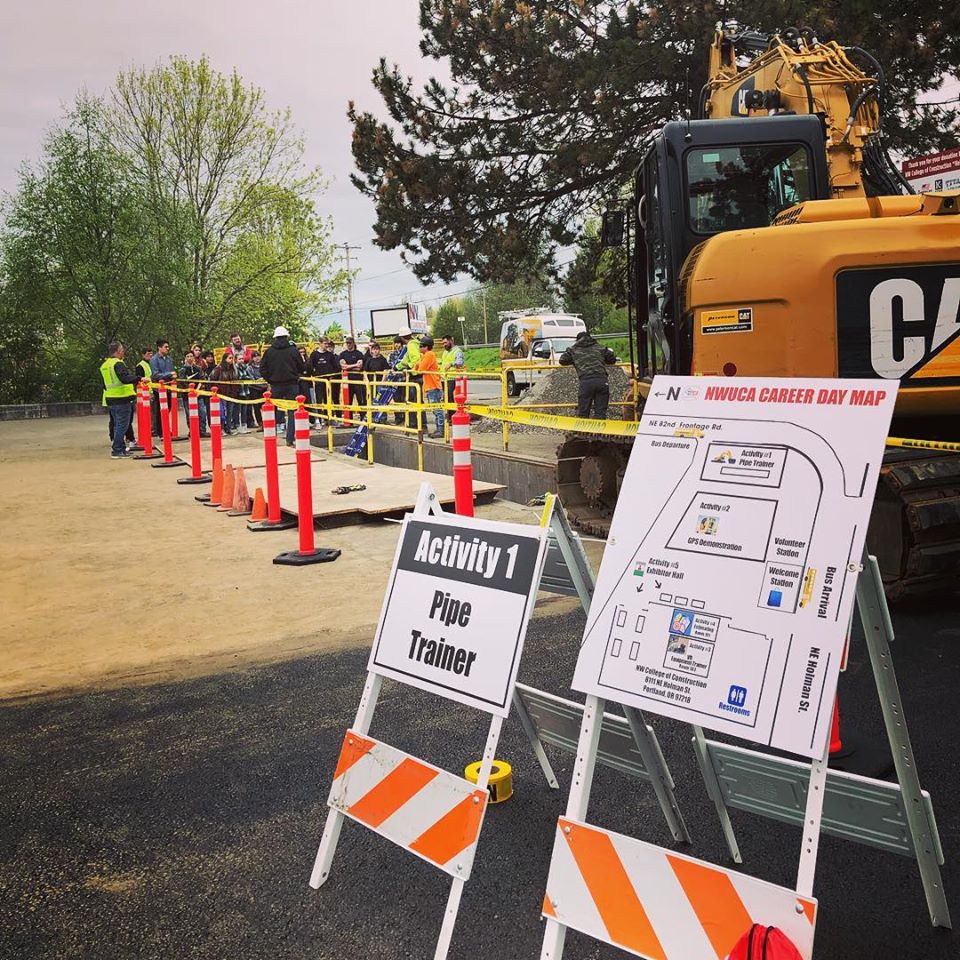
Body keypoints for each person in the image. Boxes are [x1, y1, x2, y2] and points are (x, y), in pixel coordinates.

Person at [259, 325, 305, 446]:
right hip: (292, 384)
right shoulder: (293, 351)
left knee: (273, 411)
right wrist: (296, 374)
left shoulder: (269, 352)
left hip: (276, 385)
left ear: (275, 337)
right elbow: (302, 366)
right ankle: (290, 439)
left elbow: (262, 369)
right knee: (292, 411)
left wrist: (270, 379)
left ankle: (271, 437)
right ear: (286, 336)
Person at [558, 330, 617, 419]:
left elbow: (562, 360)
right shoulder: (600, 347)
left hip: (586, 382)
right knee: (601, 413)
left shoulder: (574, 349)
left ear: (577, 340)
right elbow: (612, 359)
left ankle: (584, 427)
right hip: (602, 381)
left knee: (583, 413)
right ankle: (599, 427)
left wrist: (573, 356)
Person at [100, 341, 139, 459]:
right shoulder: (118, 363)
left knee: (117, 425)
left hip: (111, 398)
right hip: (122, 398)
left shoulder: (105, 365)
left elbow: (104, 384)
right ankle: (117, 450)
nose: (123, 352)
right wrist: (139, 378)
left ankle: (121, 448)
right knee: (122, 425)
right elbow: (125, 378)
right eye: (122, 350)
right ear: (118, 351)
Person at [393, 326, 422, 428]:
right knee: (418, 401)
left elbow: (416, 359)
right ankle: (420, 424)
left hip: (415, 376)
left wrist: (408, 367)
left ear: (402, 337)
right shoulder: (415, 344)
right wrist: (397, 367)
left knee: (412, 401)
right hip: (417, 376)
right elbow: (405, 359)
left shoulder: (411, 345)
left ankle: (414, 425)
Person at [417, 336, 445, 436]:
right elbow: (418, 367)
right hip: (431, 386)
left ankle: (441, 430)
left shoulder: (429, 355)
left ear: (426, 347)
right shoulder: (426, 355)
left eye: (421, 346)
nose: (419, 348)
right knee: (435, 409)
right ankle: (440, 430)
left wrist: (419, 363)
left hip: (433, 386)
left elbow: (420, 369)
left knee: (437, 409)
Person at [309, 338, 340, 422]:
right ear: (320, 343)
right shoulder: (314, 354)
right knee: (319, 400)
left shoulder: (330, 355)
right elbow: (310, 366)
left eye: (328, 344)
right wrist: (315, 375)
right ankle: (319, 419)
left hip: (328, 381)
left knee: (328, 400)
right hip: (319, 381)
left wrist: (332, 376)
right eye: (325, 343)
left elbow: (335, 367)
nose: (327, 345)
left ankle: (329, 419)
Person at [149, 339, 175, 434]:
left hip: (168, 387)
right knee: (160, 410)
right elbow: (155, 375)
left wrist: (172, 376)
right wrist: (170, 374)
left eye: (168, 347)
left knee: (168, 408)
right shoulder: (154, 360)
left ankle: (166, 428)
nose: (167, 348)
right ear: (159, 347)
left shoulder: (169, 359)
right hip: (159, 389)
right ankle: (160, 431)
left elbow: (171, 372)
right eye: (165, 347)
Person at [211, 351, 240, 434]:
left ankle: (229, 429)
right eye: (230, 358)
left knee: (230, 412)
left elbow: (236, 381)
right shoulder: (218, 369)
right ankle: (221, 429)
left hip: (231, 394)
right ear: (225, 359)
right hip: (221, 394)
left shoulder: (234, 369)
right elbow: (212, 380)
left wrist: (235, 392)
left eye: (232, 358)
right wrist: (217, 391)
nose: (231, 360)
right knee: (222, 412)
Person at [180, 352, 209, 435]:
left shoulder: (198, 368)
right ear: (185, 358)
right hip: (187, 395)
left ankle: (202, 430)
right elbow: (182, 383)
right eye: (188, 356)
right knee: (189, 414)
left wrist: (197, 390)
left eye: (191, 356)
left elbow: (202, 379)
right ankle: (192, 430)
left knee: (202, 412)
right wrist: (191, 391)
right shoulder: (182, 370)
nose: (190, 358)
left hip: (198, 394)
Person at [440, 333, 465, 420]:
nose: (444, 345)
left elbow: (460, 363)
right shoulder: (445, 352)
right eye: (443, 343)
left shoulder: (457, 351)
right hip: (444, 378)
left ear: (451, 341)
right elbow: (443, 363)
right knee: (446, 398)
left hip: (452, 378)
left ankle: (452, 416)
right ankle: (449, 416)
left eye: (445, 343)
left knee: (449, 397)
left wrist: (451, 364)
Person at [338, 335, 366, 412]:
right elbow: (343, 366)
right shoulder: (343, 354)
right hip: (347, 381)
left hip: (358, 381)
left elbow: (359, 367)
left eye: (350, 343)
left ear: (353, 343)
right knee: (348, 402)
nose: (348, 344)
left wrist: (348, 366)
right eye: (347, 343)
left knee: (361, 401)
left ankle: (362, 417)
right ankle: (349, 419)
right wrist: (354, 365)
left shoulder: (359, 354)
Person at [297, 345, 318, 427]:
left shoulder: (308, 360)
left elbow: (310, 370)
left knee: (311, 402)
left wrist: (305, 362)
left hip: (308, 384)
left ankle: (314, 420)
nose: (302, 354)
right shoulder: (295, 361)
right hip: (299, 385)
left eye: (303, 352)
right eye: (300, 352)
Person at [245, 350, 264, 429]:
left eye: (258, 356)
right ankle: (260, 424)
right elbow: (252, 379)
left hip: (264, 389)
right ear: (252, 358)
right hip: (254, 389)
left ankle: (267, 421)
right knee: (256, 407)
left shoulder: (264, 365)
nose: (257, 358)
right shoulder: (249, 368)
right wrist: (259, 381)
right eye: (255, 356)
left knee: (265, 406)